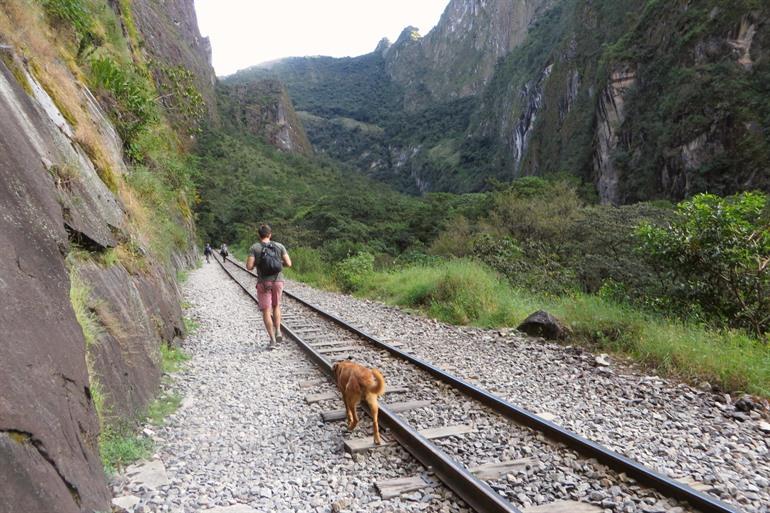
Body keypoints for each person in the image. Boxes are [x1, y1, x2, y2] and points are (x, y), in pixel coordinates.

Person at [246, 224, 291, 349]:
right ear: (270, 234)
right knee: (276, 306)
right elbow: (289, 263)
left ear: (259, 235)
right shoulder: (279, 246)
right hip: (278, 281)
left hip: (263, 283)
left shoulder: (255, 247)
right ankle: (278, 331)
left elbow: (249, 267)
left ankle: (272, 340)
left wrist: (258, 263)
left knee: (266, 311)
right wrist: (278, 263)